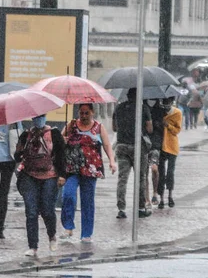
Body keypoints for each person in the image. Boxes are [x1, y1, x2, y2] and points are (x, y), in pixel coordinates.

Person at [60, 104, 117, 242]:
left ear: (92, 112)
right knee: (68, 195)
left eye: (86, 113)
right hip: (72, 168)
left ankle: (86, 234)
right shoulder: (71, 124)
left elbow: (107, 145)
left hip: (91, 169)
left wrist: (111, 160)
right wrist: (64, 139)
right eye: (81, 113)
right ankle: (68, 227)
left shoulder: (98, 127)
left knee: (87, 202)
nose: (84, 116)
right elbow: (59, 140)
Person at [15, 115, 66, 257]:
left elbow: (62, 155)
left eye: (41, 116)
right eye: (36, 117)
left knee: (47, 210)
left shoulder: (54, 134)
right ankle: (33, 246)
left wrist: (62, 175)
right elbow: (17, 156)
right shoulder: (26, 135)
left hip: (49, 176)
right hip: (29, 176)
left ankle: (52, 235)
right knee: (31, 212)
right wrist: (20, 148)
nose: (39, 120)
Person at [112, 88, 153, 219]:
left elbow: (114, 128)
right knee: (140, 178)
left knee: (122, 178)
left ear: (127, 96)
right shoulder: (143, 109)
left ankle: (121, 209)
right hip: (138, 147)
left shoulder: (118, 108)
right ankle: (141, 208)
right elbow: (149, 128)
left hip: (122, 145)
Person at [157, 96, 182, 209]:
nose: (166, 105)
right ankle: (161, 198)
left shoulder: (177, 113)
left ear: (172, 102)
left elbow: (177, 130)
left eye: (168, 103)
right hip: (161, 146)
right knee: (161, 173)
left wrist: (168, 125)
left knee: (170, 172)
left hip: (172, 145)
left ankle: (170, 196)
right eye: (164, 103)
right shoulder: (159, 112)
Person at [148, 99, 167, 205]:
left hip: (157, 144)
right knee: (144, 173)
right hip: (145, 144)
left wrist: (159, 124)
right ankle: (146, 199)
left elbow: (165, 128)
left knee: (155, 169)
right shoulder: (142, 109)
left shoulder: (161, 111)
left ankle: (156, 193)